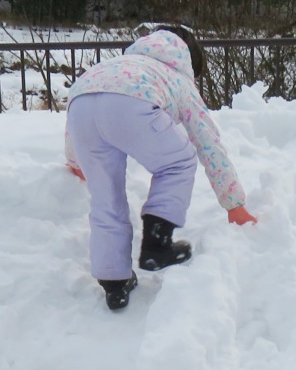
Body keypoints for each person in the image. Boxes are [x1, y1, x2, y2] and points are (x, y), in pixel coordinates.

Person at [64, 25, 258, 311]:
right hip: (132, 105)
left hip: (80, 106)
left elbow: (76, 120)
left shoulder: (117, 64)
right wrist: (234, 204)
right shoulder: (176, 77)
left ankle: (114, 282)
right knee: (178, 162)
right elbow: (208, 143)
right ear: (189, 61)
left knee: (106, 198)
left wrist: (75, 161)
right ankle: (158, 244)